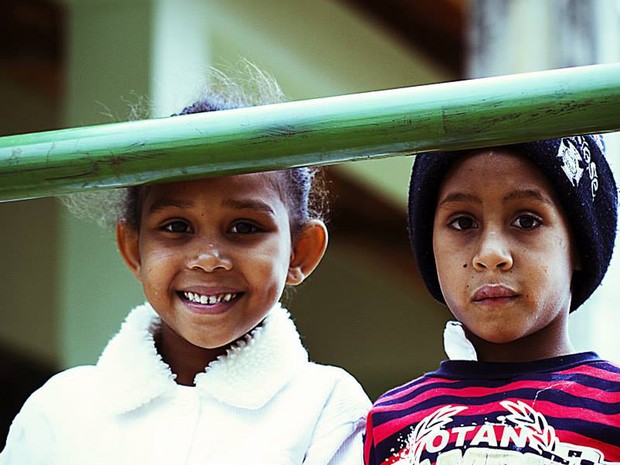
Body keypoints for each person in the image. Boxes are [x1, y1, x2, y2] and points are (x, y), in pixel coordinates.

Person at [1, 65, 370, 465]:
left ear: (301, 251)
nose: (209, 258)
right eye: (176, 226)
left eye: (244, 227)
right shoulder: (62, 410)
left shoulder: (327, 406)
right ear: (133, 249)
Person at [364, 135, 620, 464]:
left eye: (526, 221)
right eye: (462, 222)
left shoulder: (613, 402)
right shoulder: (390, 418)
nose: (491, 254)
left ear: (579, 244)